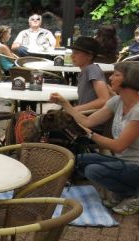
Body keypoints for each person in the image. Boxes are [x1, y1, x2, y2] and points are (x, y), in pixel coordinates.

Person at [50, 62, 139, 215]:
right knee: (77, 160)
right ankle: (123, 193)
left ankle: (133, 195)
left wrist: (90, 134)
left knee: (93, 171)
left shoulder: (137, 111)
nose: (110, 78)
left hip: (135, 166)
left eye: (116, 75)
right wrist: (65, 104)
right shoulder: (117, 101)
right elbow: (87, 122)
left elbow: (118, 146)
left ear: (130, 80)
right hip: (121, 161)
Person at [55, 37, 110, 112]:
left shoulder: (92, 69)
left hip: (91, 117)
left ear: (89, 56)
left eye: (76, 53)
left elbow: (104, 99)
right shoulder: (86, 71)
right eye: (72, 52)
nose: (72, 56)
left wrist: (73, 110)